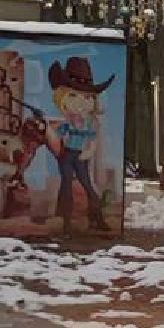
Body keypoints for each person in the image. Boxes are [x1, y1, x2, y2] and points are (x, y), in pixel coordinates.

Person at [47, 57, 113, 234]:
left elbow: (93, 140)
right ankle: (66, 223)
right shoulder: (68, 121)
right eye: (73, 95)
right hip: (67, 156)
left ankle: (97, 217)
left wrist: (89, 151)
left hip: (81, 156)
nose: (81, 102)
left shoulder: (89, 122)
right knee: (66, 184)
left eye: (87, 97)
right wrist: (50, 132)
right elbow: (56, 136)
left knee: (88, 186)